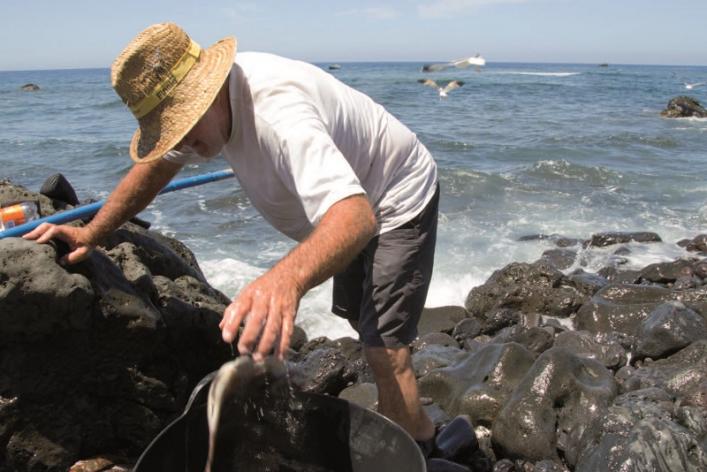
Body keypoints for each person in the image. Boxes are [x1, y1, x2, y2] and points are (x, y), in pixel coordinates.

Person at [24, 23, 438, 447]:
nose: (182, 142)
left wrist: (286, 280)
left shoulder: (279, 115)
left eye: (184, 126)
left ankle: (423, 441)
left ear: (210, 90)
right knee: (359, 318)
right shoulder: (212, 109)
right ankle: (394, 386)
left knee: (384, 348)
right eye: (171, 131)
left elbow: (355, 218)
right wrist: (90, 231)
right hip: (344, 206)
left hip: (394, 196)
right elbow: (157, 167)